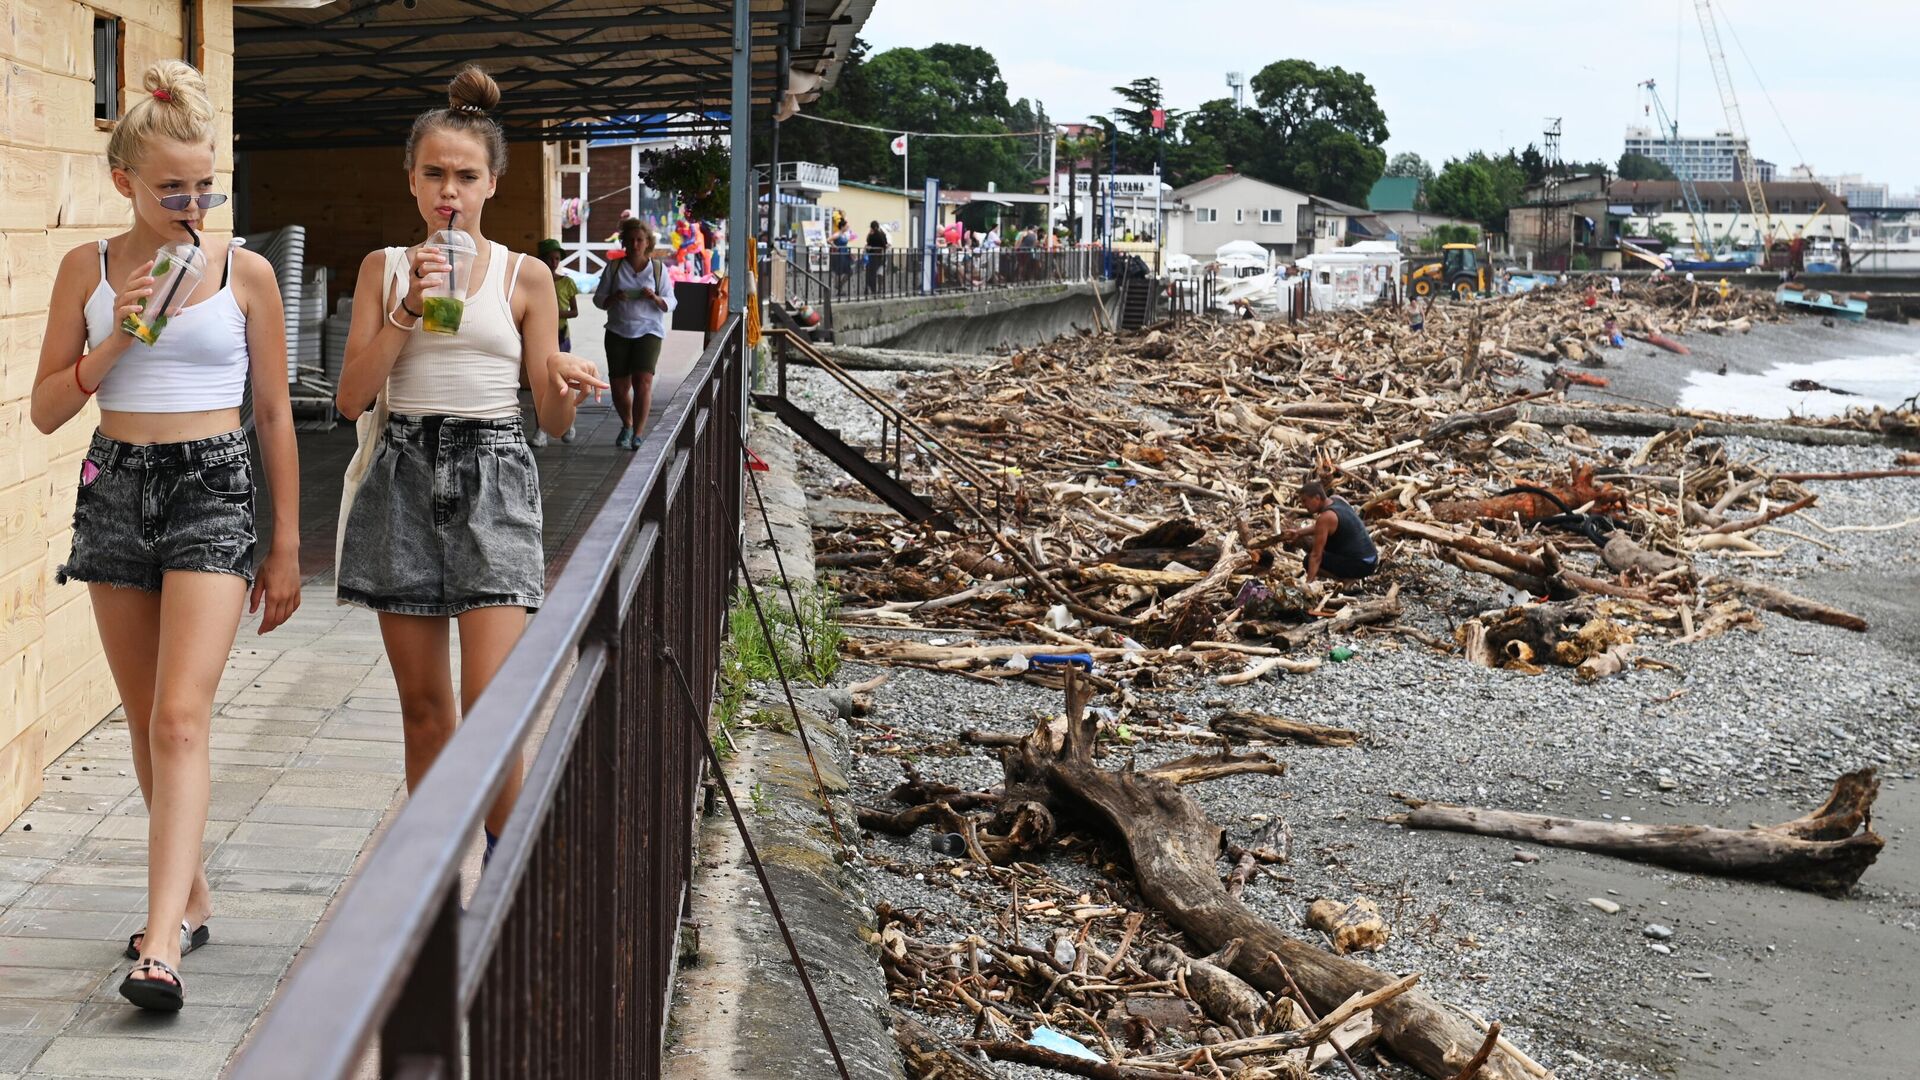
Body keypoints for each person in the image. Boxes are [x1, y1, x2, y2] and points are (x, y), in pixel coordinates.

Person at [30, 60, 302, 1011]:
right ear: (125, 186)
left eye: (204, 185)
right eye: (170, 188)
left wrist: (288, 546)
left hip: (214, 485)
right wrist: (118, 337)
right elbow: (44, 412)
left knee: (183, 716)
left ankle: (159, 950)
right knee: (147, 719)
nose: (191, 203)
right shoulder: (87, 270)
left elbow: (274, 414)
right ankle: (187, 897)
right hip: (116, 484)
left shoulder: (247, 273)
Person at [332, 67, 607, 886]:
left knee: (493, 709)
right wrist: (409, 308)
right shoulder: (384, 268)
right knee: (425, 709)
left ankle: (505, 874)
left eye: (466, 176)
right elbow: (350, 398)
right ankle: (434, 881)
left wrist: (563, 378)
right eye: (434, 174)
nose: (449, 191)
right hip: (403, 473)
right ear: (411, 179)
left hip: (494, 472)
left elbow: (551, 424)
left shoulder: (525, 277)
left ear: (493, 183)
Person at [593, 218, 676, 448]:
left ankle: (638, 433)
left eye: (640, 240)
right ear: (625, 243)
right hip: (618, 330)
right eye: (630, 240)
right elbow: (598, 299)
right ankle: (627, 424)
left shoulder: (658, 269)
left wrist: (655, 298)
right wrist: (613, 297)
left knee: (643, 381)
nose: (635, 244)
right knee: (620, 389)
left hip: (649, 330)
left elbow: (671, 301)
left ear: (647, 242)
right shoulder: (615, 267)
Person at [529, 238, 579, 447]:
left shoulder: (566, 282)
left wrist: (557, 313)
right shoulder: (533, 283)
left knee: (565, 379)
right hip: (539, 336)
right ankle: (542, 427)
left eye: (557, 259)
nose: (553, 262)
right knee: (540, 380)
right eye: (549, 258)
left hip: (560, 335)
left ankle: (568, 422)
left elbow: (575, 311)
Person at [1281, 480, 1379, 583]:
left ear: (1317, 498)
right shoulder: (1337, 499)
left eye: (1305, 501)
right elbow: (1324, 527)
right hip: (1372, 559)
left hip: (1361, 565)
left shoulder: (1326, 517)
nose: (1303, 505)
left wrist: (1307, 585)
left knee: (1308, 560)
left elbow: (1316, 556)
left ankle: (1346, 580)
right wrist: (1299, 532)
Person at [828, 222, 853, 295]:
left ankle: (839, 285)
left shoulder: (844, 234)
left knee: (849, 272)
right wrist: (834, 245)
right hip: (839, 254)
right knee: (839, 272)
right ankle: (839, 290)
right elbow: (828, 240)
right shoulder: (837, 234)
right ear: (842, 227)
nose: (847, 227)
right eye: (846, 226)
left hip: (845, 254)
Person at [865, 220, 887, 295]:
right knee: (879, 272)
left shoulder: (871, 235)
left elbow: (868, 242)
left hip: (872, 256)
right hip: (880, 256)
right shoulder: (882, 234)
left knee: (871, 273)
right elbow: (885, 245)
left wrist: (869, 234)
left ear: (872, 227)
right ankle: (879, 289)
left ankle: (871, 289)